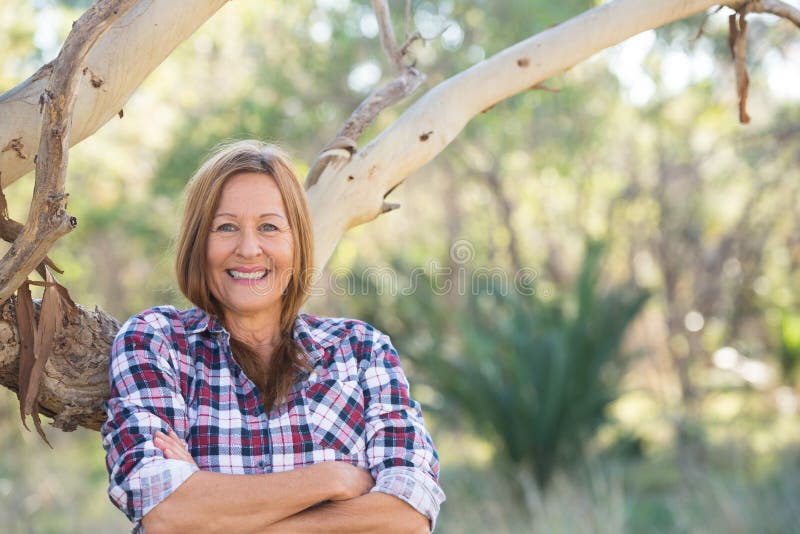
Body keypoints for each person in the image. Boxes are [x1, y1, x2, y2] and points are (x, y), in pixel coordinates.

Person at [101, 140, 445, 533]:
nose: (249, 249)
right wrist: (334, 479)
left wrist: (220, 512)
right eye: (226, 227)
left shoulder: (361, 351)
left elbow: (408, 515)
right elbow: (168, 513)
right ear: (199, 241)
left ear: (296, 242)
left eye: (269, 227)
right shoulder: (156, 343)